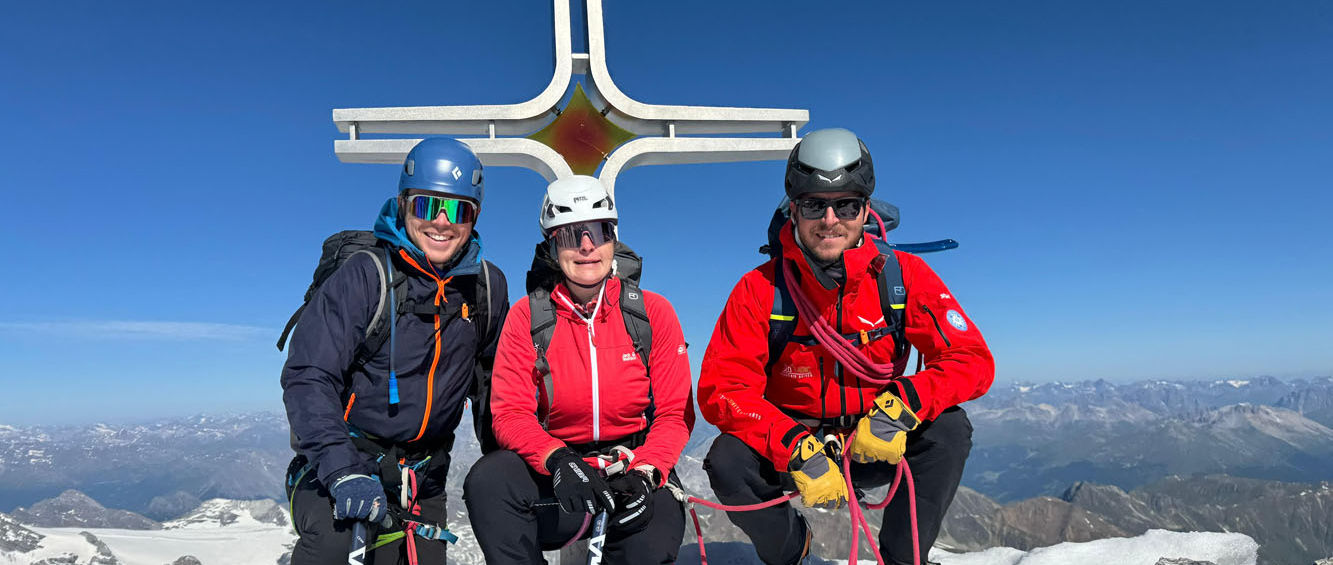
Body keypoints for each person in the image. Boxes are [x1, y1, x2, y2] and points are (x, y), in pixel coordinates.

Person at [697, 128, 995, 565]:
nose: (830, 219)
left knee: (949, 430)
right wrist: (791, 443)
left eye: (846, 205)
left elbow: (970, 360)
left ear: (865, 209)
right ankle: (790, 550)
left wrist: (904, 402)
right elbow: (722, 390)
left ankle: (903, 558)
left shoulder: (901, 276)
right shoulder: (760, 290)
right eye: (815, 204)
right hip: (797, 442)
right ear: (794, 210)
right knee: (728, 460)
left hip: (879, 434)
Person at [281, 137, 508, 564]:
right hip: (342, 463)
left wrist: (511, 463)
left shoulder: (486, 288)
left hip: (424, 477)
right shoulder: (366, 276)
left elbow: (492, 384)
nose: (441, 223)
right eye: (426, 206)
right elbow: (309, 375)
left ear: (473, 217)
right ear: (403, 204)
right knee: (330, 547)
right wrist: (343, 468)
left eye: (458, 209)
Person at [463, 175, 693, 564]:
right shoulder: (527, 318)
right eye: (570, 235)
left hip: (634, 469)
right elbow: (510, 412)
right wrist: (557, 460)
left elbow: (674, 413)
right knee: (490, 482)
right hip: (559, 475)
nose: (586, 246)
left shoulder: (652, 313)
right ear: (552, 245)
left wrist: (646, 471)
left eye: (599, 231)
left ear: (613, 239)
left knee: (648, 550)